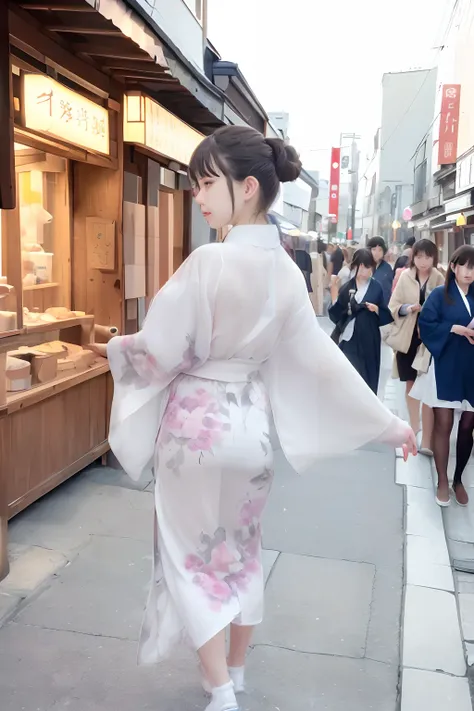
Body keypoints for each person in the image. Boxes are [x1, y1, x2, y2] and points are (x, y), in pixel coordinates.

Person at [87, 125, 416, 711]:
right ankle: (235, 674)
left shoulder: (208, 262)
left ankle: (219, 692)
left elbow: (162, 351)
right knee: (240, 551)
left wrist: (114, 349)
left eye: (206, 183)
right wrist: (388, 424)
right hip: (251, 430)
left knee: (191, 554)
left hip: (195, 429)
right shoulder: (287, 273)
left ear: (245, 188)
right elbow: (320, 361)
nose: (199, 196)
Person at [413, 245, 474, 507]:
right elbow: (426, 325)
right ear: (453, 266)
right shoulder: (440, 295)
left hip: (471, 367)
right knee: (444, 423)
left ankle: (458, 478)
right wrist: (453, 328)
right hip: (446, 365)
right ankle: (441, 480)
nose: (469, 272)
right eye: (465, 266)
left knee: (468, 425)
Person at [388, 239, 444, 455]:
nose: (423, 261)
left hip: (428, 340)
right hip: (408, 338)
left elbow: (443, 308)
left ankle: (426, 436)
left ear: (433, 258)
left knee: (428, 384)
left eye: (427, 257)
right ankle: (415, 425)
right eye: (419, 256)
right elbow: (393, 306)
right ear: (414, 257)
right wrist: (408, 308)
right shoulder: (405, 276)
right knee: (410, 383)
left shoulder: (439, 278)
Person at [329, 248, 393, 393]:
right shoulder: (347, 287)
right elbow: (337, 313)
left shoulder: (376, 286)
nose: (364, 271)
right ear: (355, 266)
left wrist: (376, 309)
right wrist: (334, 298)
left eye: (368, 266)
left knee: (367, 376)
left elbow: (385, 312)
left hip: (369, 337)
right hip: (350, 338)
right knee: (349, 375)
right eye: (361, 266)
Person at [367, 236, 394, 306]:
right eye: (374, 249)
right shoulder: (364, 265)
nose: (377, 253)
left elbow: (387, 290)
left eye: (380, 250)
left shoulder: (387, 268)